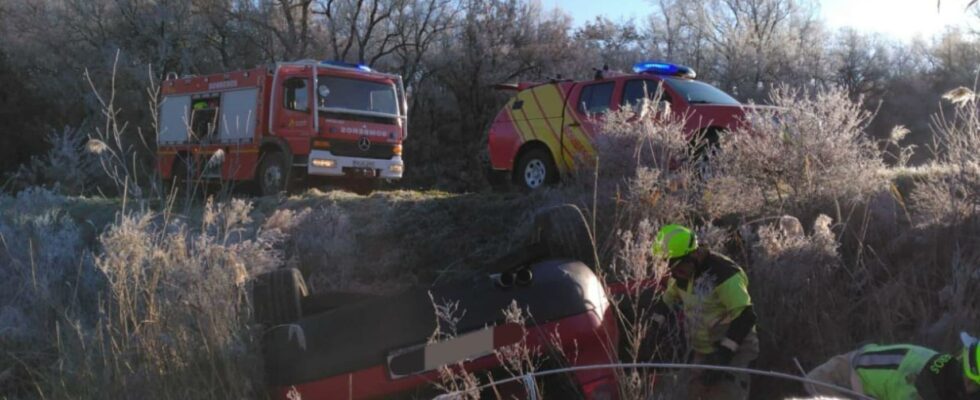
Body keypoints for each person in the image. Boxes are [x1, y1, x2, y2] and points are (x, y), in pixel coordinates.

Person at [650, 224, 759, 400]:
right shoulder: (682, 275)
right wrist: (652, 330)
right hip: (703, 351)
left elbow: (745, 317)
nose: (674, 274)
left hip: (734, 352)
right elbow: (666, 302)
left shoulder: (724, 274)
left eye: (676, 267)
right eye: (669, 268)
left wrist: (724, 355)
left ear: (693, 255)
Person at [804, 332, 980, 399]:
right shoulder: (915, 389)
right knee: (811, 382)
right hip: (849, 373)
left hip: (877, 377)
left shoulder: (950, 369)